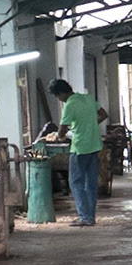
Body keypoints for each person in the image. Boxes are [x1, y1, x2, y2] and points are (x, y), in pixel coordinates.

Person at [50, 79, 109, 226]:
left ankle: (84, 216)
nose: (60, 100)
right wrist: (90, 125)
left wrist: (59, 137)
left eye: (58, 97)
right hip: (94, 145)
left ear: (62, 93)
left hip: (80, 147)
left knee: (76, 182)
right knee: (91, 182)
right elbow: (103, 115)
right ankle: (90, 216)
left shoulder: (70, 105)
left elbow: (62, 130)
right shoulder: (88, 98)